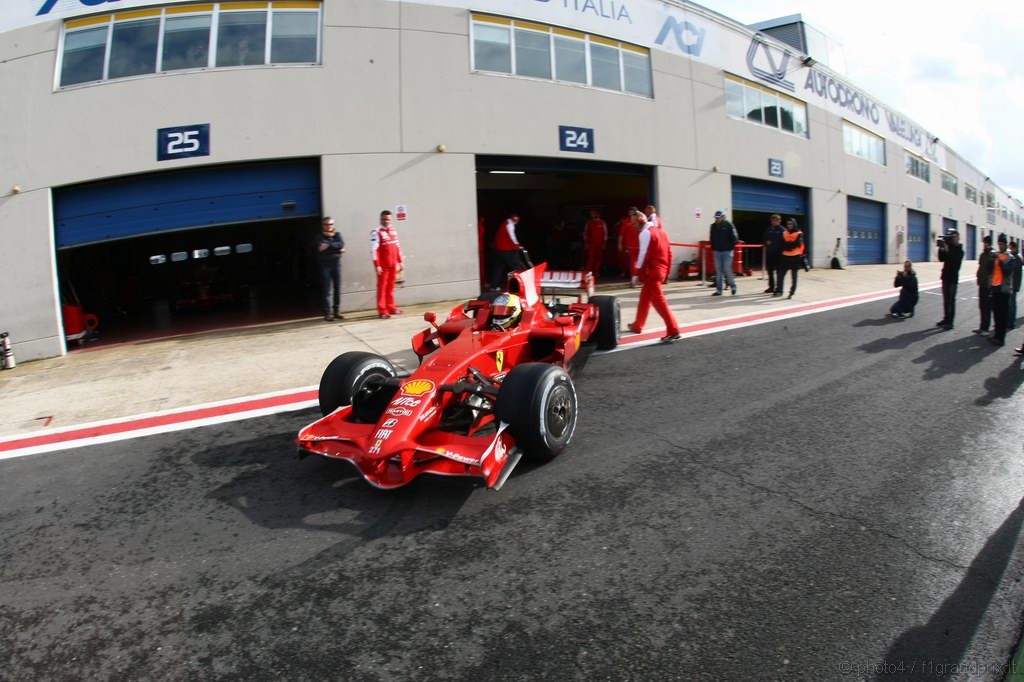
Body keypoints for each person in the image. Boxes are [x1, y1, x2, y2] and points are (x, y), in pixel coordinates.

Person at [627, 208, 681, 342]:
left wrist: (636, 273)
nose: (634, 227)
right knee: (644, 298)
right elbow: (669, 253)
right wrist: (666, 273)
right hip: (660, 271)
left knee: (659, 302)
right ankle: (637, 325)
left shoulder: (645, 233)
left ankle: (673, 330)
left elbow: (642, 255)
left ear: (640, 221)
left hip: (652, 272)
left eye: (634, 223)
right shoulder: (662, 232)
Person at [371, 210, 404, 319]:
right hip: (383, 266)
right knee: (382, 288)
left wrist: (400, 261)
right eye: (384, 219)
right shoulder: (376, 232)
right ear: (380, 219)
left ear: (391, 220)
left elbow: (397, 246)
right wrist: (377, 265)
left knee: (390, 287)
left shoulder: (394, 230)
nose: (386, 221)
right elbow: (374, 250)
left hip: (393, 265)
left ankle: (391, 307)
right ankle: (382, 310)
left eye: (388, 219)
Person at [315, 216, 345, 321]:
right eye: (327, 225)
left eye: (331, 224)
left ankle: (337, 311)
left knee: (337, 289)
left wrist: (329, 246)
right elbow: (322, 247)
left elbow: (341, 244)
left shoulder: (337, 235)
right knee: (327, 290)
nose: (329, 227)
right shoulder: (319, 237)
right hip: (325, 266)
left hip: (336, 265)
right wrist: (337, 249)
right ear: (323, 226)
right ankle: (327, 313)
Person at [935, 228, 964, 330]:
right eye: (952, 237)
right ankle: (946, 318)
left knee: (951, 300)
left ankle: (950, 322)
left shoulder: (960, 250)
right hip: (945, 276)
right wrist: (941, 247)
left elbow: (955, 261)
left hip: (953, 278)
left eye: (955, 237)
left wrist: (947, 249)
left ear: (958, 237)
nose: (953, 239)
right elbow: (941, 258)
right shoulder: (949, 247)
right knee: (946, 300)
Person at [490, 213, 529, 289]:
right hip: (506, 250)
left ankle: (494, 286)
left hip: (499, 250)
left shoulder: (505, 223)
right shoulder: (509, 225)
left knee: (499, 268)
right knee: (517, 266)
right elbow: (512, 236)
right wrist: (517, 245)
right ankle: (524, 284)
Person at [989, 233, 1014, 346]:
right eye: (999, 244)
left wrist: (999, 261)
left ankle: (1001, 338)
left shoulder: (1010, 257)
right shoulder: (997, 255)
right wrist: (992, 260)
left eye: (1002, 244)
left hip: (1004, 290)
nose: (1000, 246)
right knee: (996, 314)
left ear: (1006, 244)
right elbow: (991, 270)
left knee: (1002, 315)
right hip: (995, 287)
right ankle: (996, 335)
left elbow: (1007, 271)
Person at [709, 210, 740, 296]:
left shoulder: (729, 225)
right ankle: (719, 290)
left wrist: (730, 248)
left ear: (723, 217)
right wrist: (714, 248)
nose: (717, 219)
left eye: (718, 217)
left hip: (727, 251)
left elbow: (735, 238)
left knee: (727, 270)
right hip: (717, 251)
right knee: (718, 271)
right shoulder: (713, 226)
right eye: (716, 217)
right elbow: (711, 238)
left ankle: (733, 287)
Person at [776, 218, 804, 299]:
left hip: (795, 257)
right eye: (788, 224)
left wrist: (788, 245)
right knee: (780, 275)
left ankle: (792, 292)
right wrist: (789, 245)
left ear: (794, 224)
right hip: (785, 257)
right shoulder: (784, 233)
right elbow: (781, 243)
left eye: (791, 224)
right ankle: (779, 290)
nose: (789, 225)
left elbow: (797, 244)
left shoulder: (799, 233)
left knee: (794, 276)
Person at [973, 234, 996, 335]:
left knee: (987, 307)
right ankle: (982, 326)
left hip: (988, 285)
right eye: (984, 243)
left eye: (986, 243)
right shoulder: (983, 255)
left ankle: (986, 328)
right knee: (981, 306)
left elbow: (994, 271)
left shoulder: (993, 255)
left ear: (990, 243)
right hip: (982, 283)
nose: (985, 244)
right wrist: (978, 275)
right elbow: (980, 266)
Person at [583, 209, 607, 283]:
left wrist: (604, 243)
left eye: (593, 213)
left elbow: (605, 234)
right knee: (590, 258)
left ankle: (596, 272)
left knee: (598, 259)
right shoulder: (589, 223)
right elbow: (585, 234)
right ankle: (588, 273)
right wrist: (586, 243)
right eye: (591, 214)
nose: (592, 215)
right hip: (591, 244)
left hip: (599, 244)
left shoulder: (602, 223)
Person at [762, 214, 784, 294]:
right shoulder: (768, 229)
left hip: (779, 254)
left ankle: (779, 288)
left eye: (775, 221)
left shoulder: (782, 230)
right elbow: (764, 238)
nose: (774, 222)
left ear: (779, 221)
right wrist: (766, 242)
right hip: (770, 252)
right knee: (770, 271)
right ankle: (771, 287)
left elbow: (784, 242)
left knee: (779, 272)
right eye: (772, 221)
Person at [617, 208, 640, 285]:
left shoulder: (640, 220)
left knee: (641, 262)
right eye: (629, 212)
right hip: (631, 246)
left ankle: (641, 279)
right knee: (632, 263)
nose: (631, 213)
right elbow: (621, 234)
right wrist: (620, 244)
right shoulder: (626, 221)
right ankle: (633, 279)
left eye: (632, 212)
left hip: (640, 246)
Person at [1009, 241, 1022, 329]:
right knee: (1010, 303)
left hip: (1014, 284)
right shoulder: (1015, 257)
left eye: (1011, 248)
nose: (1010, 250)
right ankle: (1010, 320)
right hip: (1012, 284)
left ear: (1015, 248)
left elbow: (1014, 270)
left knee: (1012, 303)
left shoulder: (1017, 258)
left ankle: (1012, 322)